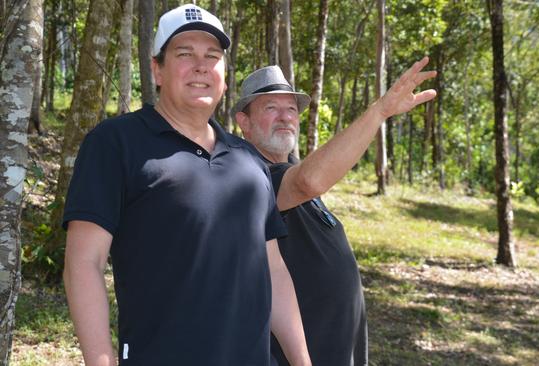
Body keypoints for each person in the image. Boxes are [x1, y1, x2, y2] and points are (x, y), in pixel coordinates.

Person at [62, 4, 310, 366]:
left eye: (212, 56)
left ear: (224, 74)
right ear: (157, 69)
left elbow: (272, 269)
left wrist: (302, 361)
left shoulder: (248, 159)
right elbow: (84, 263)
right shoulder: (116, 143)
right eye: (184, 53)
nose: (201, 66)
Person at [233, 59, 437, 365]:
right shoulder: (249, 174)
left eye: (291, 109)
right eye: (271, 107)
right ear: (244, 122)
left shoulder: (287, 169)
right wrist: (378, 111)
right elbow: (308, 182)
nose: (285, 117)